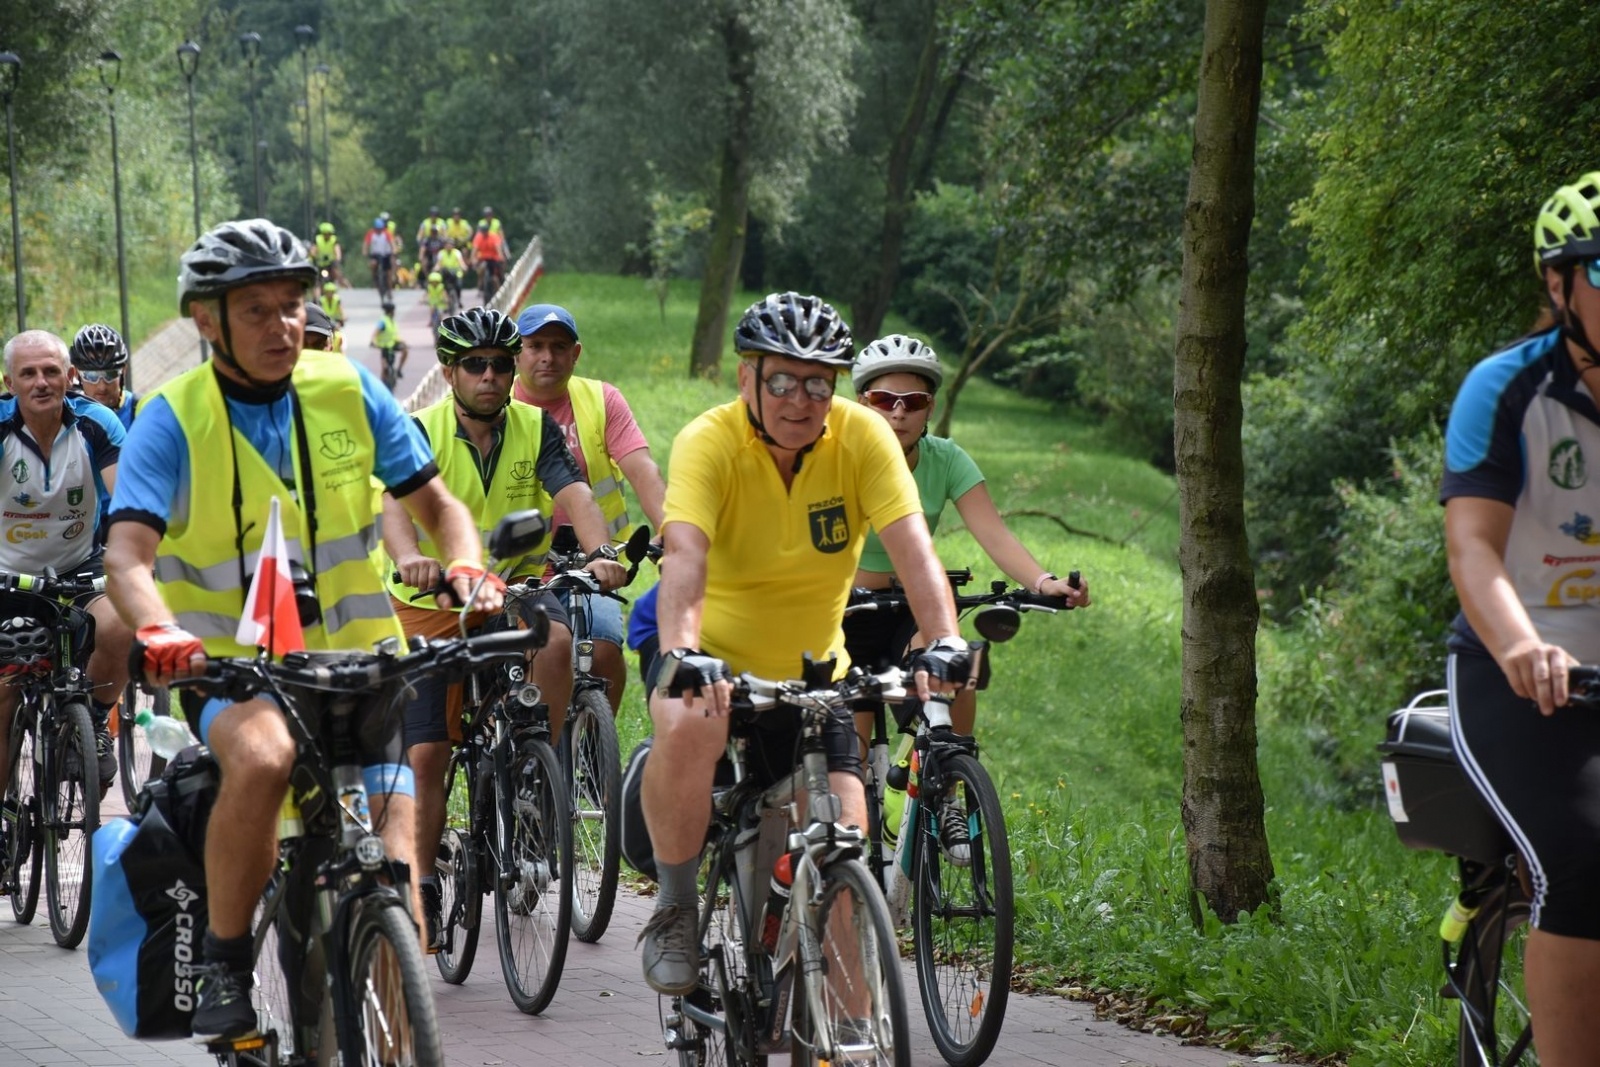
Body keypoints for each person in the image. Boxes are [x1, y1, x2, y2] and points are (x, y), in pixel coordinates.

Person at [103, 218, 502, 1044]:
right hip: (231, 669)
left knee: (397, 865)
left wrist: (468, 566)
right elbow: (128, 555)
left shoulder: (348, 388)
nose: (282, 325)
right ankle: (222, 958)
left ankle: (396, 1028)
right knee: (264, 757)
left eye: (292, 306)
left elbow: (438, 505)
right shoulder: (172, 418)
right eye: (256, 310)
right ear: (205, 319)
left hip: (364, 663)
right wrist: (159, 629)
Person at [635, 291, 972, 995]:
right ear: (746, 378)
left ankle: (849, 1028)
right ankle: (674, 906)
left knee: (845, 850)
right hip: (712, 659)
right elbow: (685, 561)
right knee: (690, 718)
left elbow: (915, 552)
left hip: (816, 674)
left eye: (818, 382)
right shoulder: (709, 441)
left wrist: (943, 639)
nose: (800, 399)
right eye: (781, 380)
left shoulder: (863, 437)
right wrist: (685, 651)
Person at [381, 307, 626, 952]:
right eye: (475, 365)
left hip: (507, 591)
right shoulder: (419, 430)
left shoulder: (535, 427)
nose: (490, 376)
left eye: (500, 364)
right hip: (428, 602)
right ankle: (425, 877)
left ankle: (531, 775)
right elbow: (394, 510)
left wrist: (604, 555)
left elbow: (574, 494)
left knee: (560, 642)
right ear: (450, 371)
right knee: (430, 753)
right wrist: (411, 555)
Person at [1445, 170, 1600, 1067]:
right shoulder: (1506, 390)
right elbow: (1473, 549)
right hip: (1524, 676)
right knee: (1587, 860)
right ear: (1558, 282)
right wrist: (1523, 645)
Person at [845, 334, 1091, 742]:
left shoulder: (947, 459)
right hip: (845, 612)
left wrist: (1044, 583)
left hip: (911, 606)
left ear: (931, 408)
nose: (899, 413)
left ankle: (949, 783)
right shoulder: (837, 458)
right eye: (885, 399)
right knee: (850, 760)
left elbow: (995, 534)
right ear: (861, 404)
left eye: (915, 401)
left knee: (955, 666)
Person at [0, 329, 132, 800]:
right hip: (7, 579)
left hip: (79, 568)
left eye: (51, 371)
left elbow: (131, 499)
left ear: (69, 376)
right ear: (9, 382)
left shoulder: (97, 424)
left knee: (120, 624)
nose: (41, 382)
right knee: (5, 696)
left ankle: (94, 719)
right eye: (28, 373)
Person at [514, 303, 667, 711]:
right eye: (536, 346)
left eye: (559, 346)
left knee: (601, 650)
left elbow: (642, 469)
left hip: (593, 560)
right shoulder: (498, 402)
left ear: (576, 353)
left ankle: (594, 755)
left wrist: (674, 530)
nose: (548, 356)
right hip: (517, 566)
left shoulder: (601, 400)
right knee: (528, 660)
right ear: (518, 351)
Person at [69, 323, 139, 431]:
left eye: (110, 374)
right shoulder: (67, 414)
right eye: (91, 376)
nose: (102, 387)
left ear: (123, 371)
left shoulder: (141, 411)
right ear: (77, 374)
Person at [371, 300, 409, 382]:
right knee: (384, 368)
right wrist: (373, 342)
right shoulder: (383, 321)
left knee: (405, 350)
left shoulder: (393, 321)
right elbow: (375, 333)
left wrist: (403, 341)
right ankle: (382, 384)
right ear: (391, 311)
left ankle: (399, 369)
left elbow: (394, 335)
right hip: (385, 346)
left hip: (393, 344)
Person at [470, 222, 507, 300]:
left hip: (493, 258)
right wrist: (472, 259)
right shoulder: (478, 237)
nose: (483, 233)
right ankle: (480, 286)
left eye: (485, 232)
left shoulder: (494, 236)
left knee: (497, 273)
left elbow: (498, 248)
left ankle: (500, 289)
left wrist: (500, 257)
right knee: (480, 269)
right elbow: (475, 249)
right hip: (483, 258)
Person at [363, 216, 396, 293]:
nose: (378, 231)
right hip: (375, 254)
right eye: (377, 229)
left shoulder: (387, 233)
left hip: (386, 254)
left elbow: (392, 243)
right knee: (373, 264)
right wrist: (365, 251)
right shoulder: (370, 233)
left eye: (380, 229)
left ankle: (390, 290)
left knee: (388, 273)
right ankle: (375, 278)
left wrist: (394, 250)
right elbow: (366, 243)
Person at [310, 221, 345, 286]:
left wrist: (338, 258)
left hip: (331, 262)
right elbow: (313, 250)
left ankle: (338, 283)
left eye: (329, 233)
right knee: (316, 279)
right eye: (325, 233)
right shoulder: (317, 239)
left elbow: (337, 250)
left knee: (335, 271)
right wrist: (312, 256)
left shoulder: (334, 240)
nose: (327, 235)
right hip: (320, 262)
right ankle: (316, 294)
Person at [435, 239, 466, 310]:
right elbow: (439, 263)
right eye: (447, 245)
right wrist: (436, 268)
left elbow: (460, 262)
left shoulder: (457, 252)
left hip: (456, 271)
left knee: (458, 285)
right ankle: (445, 301)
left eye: (450, 245)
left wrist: (463, 267)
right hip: (445, 272)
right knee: (442, 285)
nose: (449, 246)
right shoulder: (441, 253)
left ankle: (458, 299)